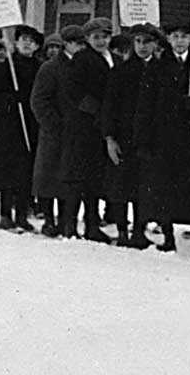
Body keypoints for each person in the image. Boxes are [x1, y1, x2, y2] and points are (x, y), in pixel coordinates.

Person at [131, 20, 190, 252]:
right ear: (168, 40)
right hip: (160, 138)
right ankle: (164, 232)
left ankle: (177, 228)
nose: (179, 41)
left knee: (180, 187)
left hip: (185, 139)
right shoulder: (158, 67)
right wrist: (142, 138)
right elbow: (145, 106)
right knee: (158, 186)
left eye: (184, 36)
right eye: (175, 36)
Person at [60, 17, 115, 241]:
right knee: (77, 179)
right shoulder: (82, 59)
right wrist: (97, 111)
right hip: (83, 127)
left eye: (104, 37)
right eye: (96, 37)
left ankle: (92, 224)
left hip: (101, 128)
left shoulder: (114, 59)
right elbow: (73, 92)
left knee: (93, 180)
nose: (101, 41)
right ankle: (69, 225)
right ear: (88, 39)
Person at [103, 24, 156, 245]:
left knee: (144, 187)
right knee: (121, 186)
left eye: (146, 42)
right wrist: (109, 138)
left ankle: (139, 230)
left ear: (155, 44)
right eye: (138, 42)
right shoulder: (121, 72)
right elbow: (109, 107)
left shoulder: (160, 71)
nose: (142, 47)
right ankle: (123, 230)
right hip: (124, 138)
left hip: (150, 140)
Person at [31, 25, 83, 237]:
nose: (79, 47)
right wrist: (54, 124)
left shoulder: (83, 67)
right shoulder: (50, 68)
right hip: (55, 132)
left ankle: (67, 222)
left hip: (77, 133)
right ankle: (49, 219)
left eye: (82, 43)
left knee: (70, 181)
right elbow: (39, 100)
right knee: (48, 178)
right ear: (66, 44)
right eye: (75, 43)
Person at [0, 24, 42, 230]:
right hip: (9, 126)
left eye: (31, 41)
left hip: (31, 124)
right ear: (16, 43)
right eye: (23, 40)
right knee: (8, 171)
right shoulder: (6, 67)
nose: (27, 44)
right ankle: (5, 214)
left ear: (37, 46)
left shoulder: (40, 68)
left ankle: (22, 214)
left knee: (26, 172)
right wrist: (12, 100)